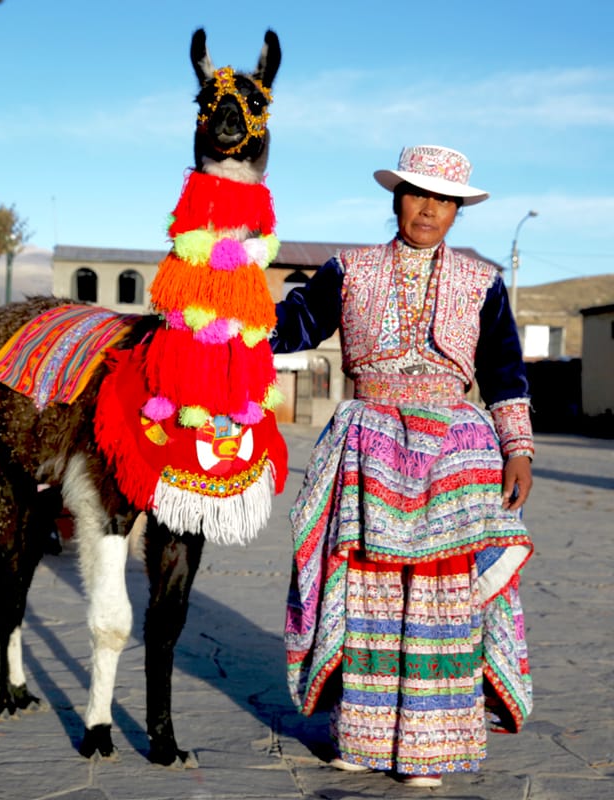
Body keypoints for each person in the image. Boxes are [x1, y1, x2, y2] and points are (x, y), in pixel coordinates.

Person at [274, 145, 534, 789]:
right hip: (368, 444)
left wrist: (518, 449)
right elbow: (295, 326)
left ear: (456, 212)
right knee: (366, 589)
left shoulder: (483, 283)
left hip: (455, 450)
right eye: (418, 195)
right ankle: (361, 737)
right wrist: (224, 308)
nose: (429, 209)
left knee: (442, 591)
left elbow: (504, 371)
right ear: (396, 200)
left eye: (444, 200)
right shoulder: (350, 269)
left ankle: (431, 746)